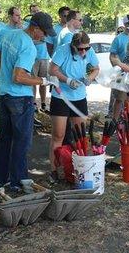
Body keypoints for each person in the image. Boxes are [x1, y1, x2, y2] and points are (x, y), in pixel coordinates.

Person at [0, 11, 56, 191]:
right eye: (44, 32)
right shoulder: (29, 46)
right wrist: (43, 80)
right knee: (22, 141)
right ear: (35, 28)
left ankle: (1, 178)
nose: (44, 37)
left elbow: (3, 64)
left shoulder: (10, 34)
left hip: (4, 94)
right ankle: (18, 181)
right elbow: (19, 76)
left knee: (5, 139)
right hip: (19, 98)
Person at [48, 31, 99, 182]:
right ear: (73, 46)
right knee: (58, 135)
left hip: (79, 97)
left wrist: (89, 78)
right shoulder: (63, 50)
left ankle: (79, 169)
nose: (84, 52)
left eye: (86, 48)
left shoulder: (89, 51)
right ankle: (54, 170)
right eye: (80, 49)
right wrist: (67, 80)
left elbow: (96, 68)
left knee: (80, 136)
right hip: (61, 97)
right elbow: (52, 69)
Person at [108, 15, 129, 119]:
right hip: (121, 74)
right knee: (119, 98)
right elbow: (112, 56)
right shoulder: (118, 39)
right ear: (125, 25)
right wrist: (117, 69)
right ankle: (114, 120)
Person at [29, 4, 51, 113]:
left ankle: (43, 103)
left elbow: (47, 39)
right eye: (33, 11)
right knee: (32, 81)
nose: (36, 13)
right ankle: (32, 103)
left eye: (37, 11)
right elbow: (31, 40)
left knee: (44, 82)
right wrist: (39, 40)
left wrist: (41, 40)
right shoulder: (29, 25)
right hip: (33, 58)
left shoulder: (45, 24)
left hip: (45, 58)